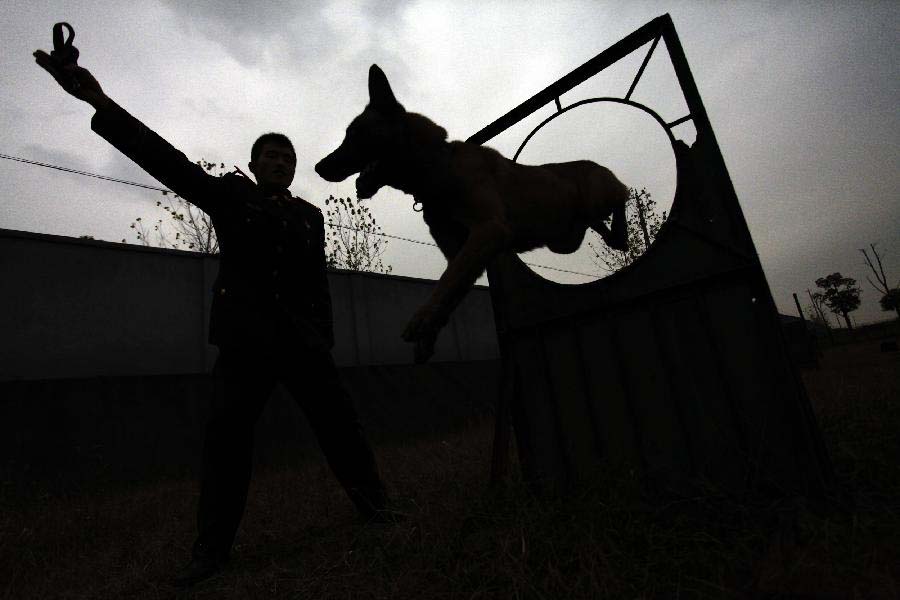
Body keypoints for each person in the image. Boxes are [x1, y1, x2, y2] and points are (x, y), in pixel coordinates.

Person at [34, 39, 390, 587]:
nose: (280, 161)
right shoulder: (230, 197)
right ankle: (211, 550)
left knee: (341, 426)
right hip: (245, 342)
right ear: (252, 165)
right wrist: (99, 103)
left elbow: (317, 285)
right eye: (270, 155)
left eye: (287, 158)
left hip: (303, 344)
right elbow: (169, 162)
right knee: (227, 443)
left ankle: (375, 507)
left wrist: (323, 338)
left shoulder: (309, 216)